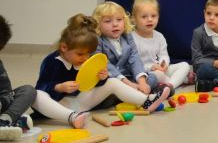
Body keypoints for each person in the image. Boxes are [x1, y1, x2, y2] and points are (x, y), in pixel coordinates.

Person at [32, 14, 170, 127]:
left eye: (88, 54)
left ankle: (146, 101)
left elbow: (91, 84)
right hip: (58, 106)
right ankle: (72, 118)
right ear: (64, 48)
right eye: (80, 54)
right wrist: (59, 87)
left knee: (112, 82)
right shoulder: (52, 62)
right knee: (36, 94)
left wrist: (102, 78)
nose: (85, 58)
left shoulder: (85, 60)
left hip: (80, 103)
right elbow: (42, 86)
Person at [94, 1, 160, 95]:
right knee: (112, 86)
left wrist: (142, 82)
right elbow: (106, 65)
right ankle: (143, 94)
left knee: (153, 77)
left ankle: (143, 90)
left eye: (119, 20)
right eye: (108, 21)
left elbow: (135, 58)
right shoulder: (98, 40)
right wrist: (130, 84)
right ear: (98, 24)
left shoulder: (127, 35)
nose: (115, 24)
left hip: (129, 75)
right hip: (113, 78)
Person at [130, 0, 192, 94]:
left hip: (159, 70)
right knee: (158, 75)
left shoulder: (159, 36)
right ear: (134, 19)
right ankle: (178, 81)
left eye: (153, 16)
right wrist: (151, 67)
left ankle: (169, 86)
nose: (150, 19)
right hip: (144, 74)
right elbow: (133, 64)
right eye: (144, 17)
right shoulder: (131, 38)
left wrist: (164, 64)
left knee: (185, 65)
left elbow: (164, 55)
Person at [0, 15, 36, 141]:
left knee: (28, 90)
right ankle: (12, 121)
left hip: (3, 103)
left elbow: (7, 93)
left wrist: (3, 102)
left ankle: (5, 120)